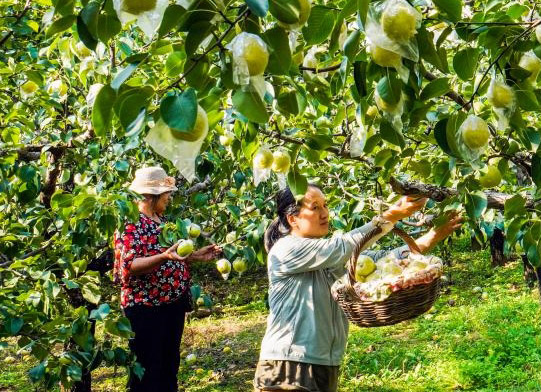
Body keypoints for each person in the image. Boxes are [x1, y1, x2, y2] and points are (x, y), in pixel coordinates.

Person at [255, 185, 462, 392]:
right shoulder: (285, 250)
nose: (325, 213)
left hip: (324, 364)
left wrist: (435, 234)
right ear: (293, 219)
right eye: (315, 207)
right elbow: (343, 246)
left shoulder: (329, 255)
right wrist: (390, 216)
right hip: (288, 364)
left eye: (325, 205)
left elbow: (387, 260)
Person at [113, 166, 222, 392]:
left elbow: (171, 254)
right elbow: (130, 264)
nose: (170, 199)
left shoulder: (160, 220)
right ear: (151, 196)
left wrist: (195, 255)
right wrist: (164, 256)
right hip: (146, 309)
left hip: (171, 305)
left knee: (168, 367)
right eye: (166, 195)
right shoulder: (131, 223)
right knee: (147, 371)